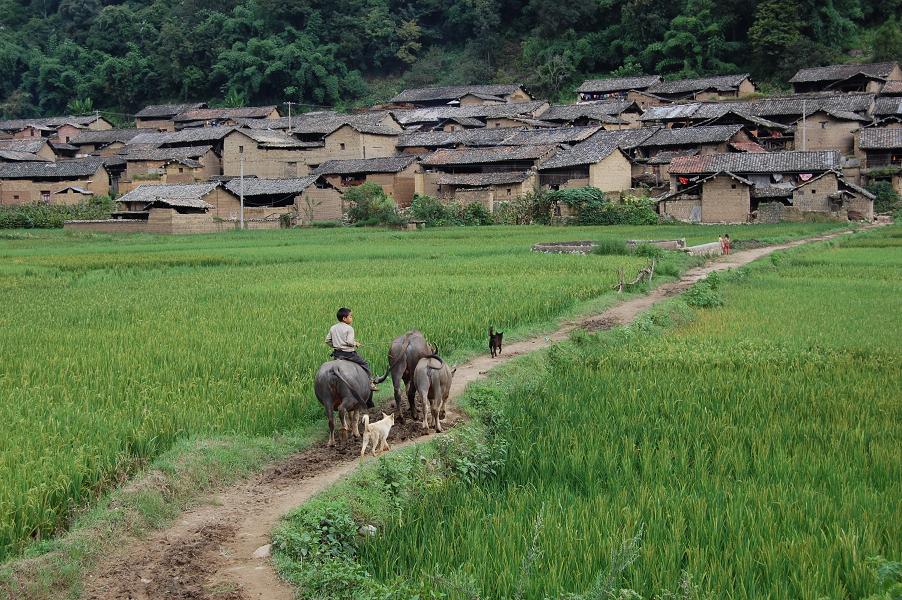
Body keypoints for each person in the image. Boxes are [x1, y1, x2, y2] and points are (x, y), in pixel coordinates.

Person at [326, 307, 378, 390]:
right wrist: (355, 343)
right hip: (349, 354)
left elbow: (327, 340)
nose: (351, 318)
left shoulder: (333, 327)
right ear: (344, 318)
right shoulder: (349, 328)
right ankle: (370, 382)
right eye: (350, 316)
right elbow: (350, 342)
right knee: (364, 364)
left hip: (337, 354)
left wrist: (336, 345)